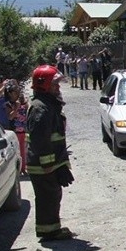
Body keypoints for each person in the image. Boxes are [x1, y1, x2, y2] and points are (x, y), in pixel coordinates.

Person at [26, 65, 76, 241]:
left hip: (49, 163)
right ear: (44, 85)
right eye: (55, 85)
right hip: (42, 165)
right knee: (48, 196)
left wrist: (59, 164)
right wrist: (48, 164)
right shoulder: (41, 108)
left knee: (52, 195)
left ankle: (50, 229)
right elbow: (40, 139)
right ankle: (50, 232)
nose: (58, 88)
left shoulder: (47, 105)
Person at [5, 81, 28, 173]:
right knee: (17, 150)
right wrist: (16, 107)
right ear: (10, 93)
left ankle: (24, 168)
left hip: (24, 130)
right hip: (15, 130)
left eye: (17, 91)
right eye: (14, 92)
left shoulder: (22, 101)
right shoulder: (8, 104)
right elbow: (10, 117)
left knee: (24, 150)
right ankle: (18, 169)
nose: (16, 94)